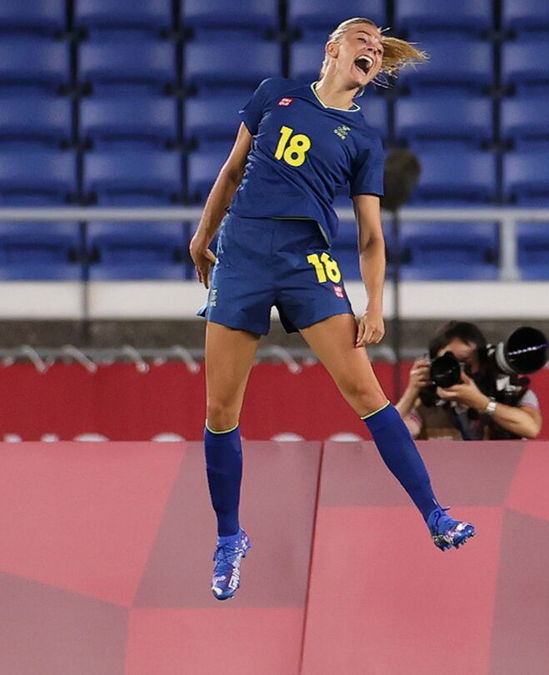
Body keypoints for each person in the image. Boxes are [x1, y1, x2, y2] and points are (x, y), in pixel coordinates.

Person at [188, 18, 474, 602]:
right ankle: (228, 537)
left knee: (365, 392)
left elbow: (371, 236)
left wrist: (376, 302)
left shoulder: (364, 140)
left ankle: (435, 514)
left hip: (307, 262)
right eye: (360, 39)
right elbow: (233, 169)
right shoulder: (275, 94)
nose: (370, 47)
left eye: (376, 45)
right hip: (243, 253)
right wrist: (202, 235)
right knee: (221, 408)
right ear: (333, 48)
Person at [395, 321, 543, 440]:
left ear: (481, 362)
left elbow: (530, 428)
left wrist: (482, 403)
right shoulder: (425, 402)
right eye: (448, 361)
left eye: (465, 361)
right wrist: (412, 391)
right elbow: (391, 435)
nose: (458, 370)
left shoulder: (510, 393)